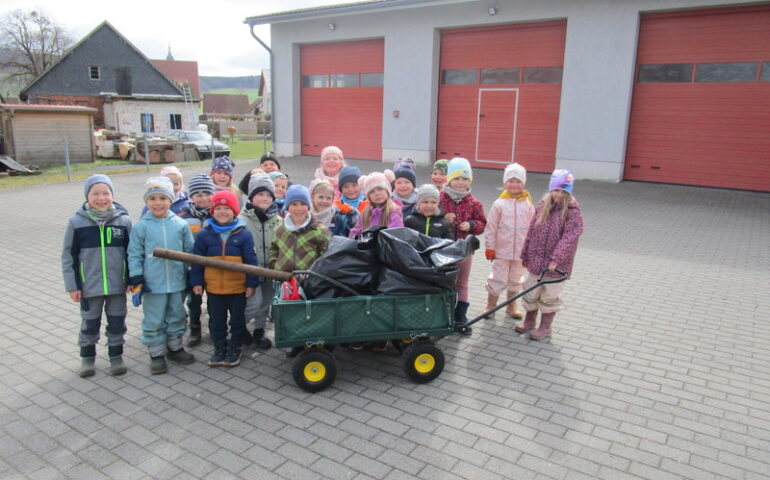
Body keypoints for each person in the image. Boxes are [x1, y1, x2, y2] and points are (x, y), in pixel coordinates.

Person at [62, 174, 132, 377]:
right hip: (88, 286)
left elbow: (132, 253)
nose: (101, 198)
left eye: (106, 193)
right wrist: (73, 285)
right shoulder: (76, 222)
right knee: (90, 323)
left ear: (112, 195)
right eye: (95, 194)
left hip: (117, 285)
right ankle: (87, 358)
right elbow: (68, 256)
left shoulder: (124, 221)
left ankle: (116, 356)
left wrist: (131, 279)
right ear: (87, 196)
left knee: (117, 321)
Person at [128, 177, 195, 374]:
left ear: (171, 200)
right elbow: (134, 254)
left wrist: (191, 274)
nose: (158, 203)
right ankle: (156, 354)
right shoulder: (141, 226)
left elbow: (190, 251)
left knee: (177, 314)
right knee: (154, 318)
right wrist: (137, 278)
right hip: (153, 283)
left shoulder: (180, 224)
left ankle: (175, 348)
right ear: (146, 201)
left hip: (176, 280)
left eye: (163, 198)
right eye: (153, 198)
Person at [191, 190, 259, 367]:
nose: (222, 212)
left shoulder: (243, 234)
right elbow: (196, 261)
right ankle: (219, 348)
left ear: (234, 211)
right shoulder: (204, 234)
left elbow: (251, 261)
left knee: (237, 321)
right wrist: (197, 282)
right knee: (217, 322)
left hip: (237, 289)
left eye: (227, 208)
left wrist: (251, 284)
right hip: (214, 289)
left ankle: (235, 348)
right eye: (218, 208)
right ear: (212, 211)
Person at [517, 169, 584, 340]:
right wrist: (525, 254)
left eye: (563, 191)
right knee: (531, 291)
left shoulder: (572, 212)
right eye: (556, 190)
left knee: (549, 295)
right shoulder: (541, 207)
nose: (559, 194)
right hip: (536, 261)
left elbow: (570, 238)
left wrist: (556, 259)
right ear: (551, 189)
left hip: (556, 266)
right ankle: (529, 320)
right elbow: (531, 231)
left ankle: (545, 327)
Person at [439, 157, 486, 335]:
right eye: (457, 178)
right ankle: (443, 315)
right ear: (449, 179)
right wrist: (443, 218)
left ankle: (460, 316)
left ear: (470, 180)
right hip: (443, 249)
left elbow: (482, 223)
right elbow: (429, 216)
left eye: (465, 179)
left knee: (462, 283)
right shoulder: (440, 198)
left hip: (465, 250)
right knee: (444, 282)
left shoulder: (474, 202)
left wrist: (472, 225)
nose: (461, 182)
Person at [483, 163, 534, 319]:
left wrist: (531, 249)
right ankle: (491, 305)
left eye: (518, 181)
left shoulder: (528, 204)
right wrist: (490, 247)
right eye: (511, 181)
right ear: (505, 183)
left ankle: (511, 306)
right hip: (501, 251)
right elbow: (491, 227)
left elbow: (533, 229)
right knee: (497, 278)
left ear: (523, 183)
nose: (514, 185)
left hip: (520, 252)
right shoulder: (499, 204)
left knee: (516, 279)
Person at [239, 172, 281, 350]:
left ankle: (259, 329)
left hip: (270, 272)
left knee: (266, 302)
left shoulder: (278, 221)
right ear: (251, 196)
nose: (265, 198)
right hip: (251, 272)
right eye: (260, 194)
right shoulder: (242, 220)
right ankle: (238, 326)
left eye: (268, 195)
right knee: (254, 303)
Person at [178, 173, 215, 346]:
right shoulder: (182, 217)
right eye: (198, 195)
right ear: (191, 197)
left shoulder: (218, 215)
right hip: (192, 267)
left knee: (214, 299)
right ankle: (194, 327)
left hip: (213, 266)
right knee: (194, 300)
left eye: (207, 193)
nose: (204, 198)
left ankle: (215, 326)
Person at [268, 185, 330, 273]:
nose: (299, 208)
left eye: (303, 204)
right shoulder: (280, 228)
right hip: (282, 277)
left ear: (308, 206)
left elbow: (325, 256)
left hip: (307, 279)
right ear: (287, 207)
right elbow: (274, 248)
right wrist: (275, 264)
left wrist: (315, 273)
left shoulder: (319, 230)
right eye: (294, 204)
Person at [348, 172, 404, 239]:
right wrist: (353, 237)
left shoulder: (394, 211)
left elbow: (395, 233)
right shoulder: (365, 213)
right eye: (372, 192)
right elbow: (357, 229)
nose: (377, 193)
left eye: (380, 189)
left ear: (387, 191)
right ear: (368, 196)